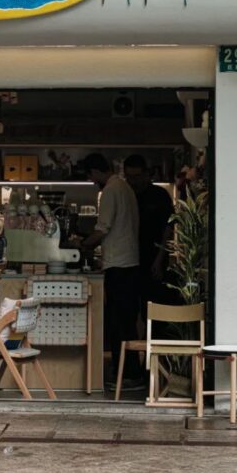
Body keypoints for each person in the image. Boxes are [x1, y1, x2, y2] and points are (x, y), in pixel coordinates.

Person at [79, 153, 142, 388]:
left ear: (95, 172)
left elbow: (102, 229)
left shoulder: (109, 191)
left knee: (118, 323)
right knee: (126, 321)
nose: (91, 180)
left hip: (119, 266)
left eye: (90, 176)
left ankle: (126, 375)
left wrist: (84, 245)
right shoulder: (125, 188)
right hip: (130, 263)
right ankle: (130, 371)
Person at [122, 154, 174, 321]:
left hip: (153, 259)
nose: (133, 181)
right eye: (129, 177)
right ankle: (133, 345)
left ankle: (150, 343)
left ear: (147, 174)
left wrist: (159, 260)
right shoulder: (125, 195)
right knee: (129, 308)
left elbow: (168, 230)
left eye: (137, 176)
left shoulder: (159, 195)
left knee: (153, 308)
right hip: (129, 260)